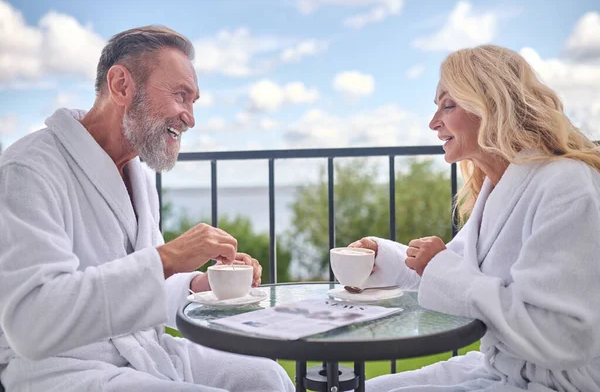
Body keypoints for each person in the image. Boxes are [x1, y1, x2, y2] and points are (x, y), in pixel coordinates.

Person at [0, 25, 294, 392]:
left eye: (193, 101)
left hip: (141, 351)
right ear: (122, 85)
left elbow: (141, 291)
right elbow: (32, 324)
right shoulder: (29, 170)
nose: (190, 117)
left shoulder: (136, 175)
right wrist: (167, 258)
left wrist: (204, 284)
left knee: (266, 376)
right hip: (63, 369)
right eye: (180, 95)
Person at [351, 45, 600, 391]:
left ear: (492, 107)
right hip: (502, 369)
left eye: (448, 105)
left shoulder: (565, 185)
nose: (434, 122)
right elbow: (451, 268)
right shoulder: (500, 187)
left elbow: (562, 335)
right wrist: (383, 258)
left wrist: (440, 267)